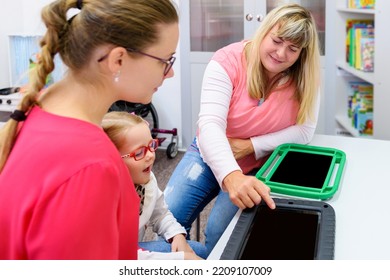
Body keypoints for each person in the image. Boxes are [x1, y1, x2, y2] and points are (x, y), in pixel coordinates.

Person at [0, 0, 179, 260]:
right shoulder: (91, 167)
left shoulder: (39, 110)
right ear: (118, 59)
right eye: (166, 60)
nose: (171, 73)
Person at [164, 3, 321, 257]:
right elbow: (210, 125)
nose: (281, 53)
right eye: (277, 40)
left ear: (302, 53)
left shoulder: (305, 78)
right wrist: (231, 175)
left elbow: (304, 131)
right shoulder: (227, 60)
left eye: (292, 49)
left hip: (259, 165)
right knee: (169, 220)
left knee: (221, 235)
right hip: (207, 152)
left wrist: (250, 146)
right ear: (264, 31)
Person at [102, 111, 207, 260]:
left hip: (132, 250)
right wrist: (180, 260)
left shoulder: (146, 180)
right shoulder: (103, 203)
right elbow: (120, 257)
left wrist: (176, 234)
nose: (151, 155)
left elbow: (160, 214)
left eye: (151, 145)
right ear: (112, 161)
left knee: (198, 251)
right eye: (139, 153)